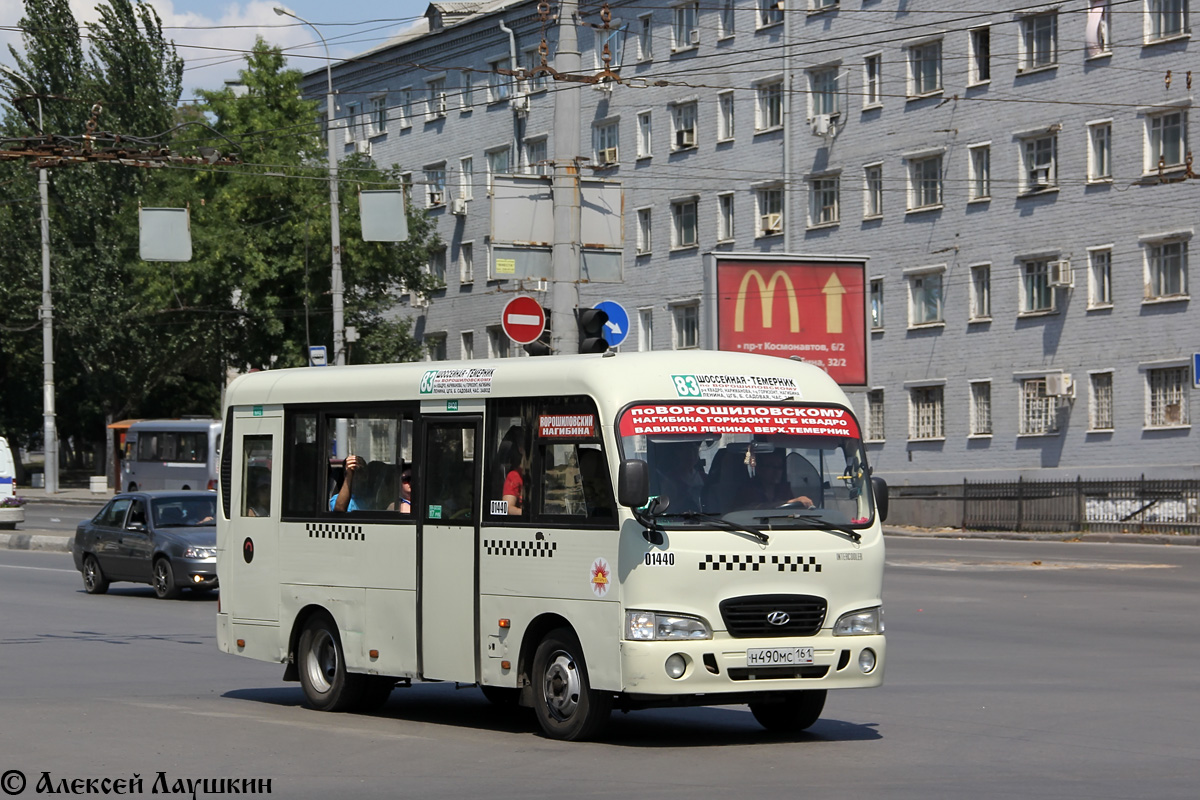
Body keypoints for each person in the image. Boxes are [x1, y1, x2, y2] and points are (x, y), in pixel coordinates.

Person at [740, 451, 813, 509]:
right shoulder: (748, 488)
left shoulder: (784, 489)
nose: (777, 471)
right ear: (759, 469)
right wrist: (789, 502)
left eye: (779, 467)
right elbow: (752, 509)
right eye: (771, 466)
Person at [654, 441, 705, 513]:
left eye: (695, 450)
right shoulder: (669, 480)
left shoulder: (704, 477)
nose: (692, 455)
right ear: (678, 453)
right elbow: (667, 508)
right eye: (687, 451)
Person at [499, 428, 528, 516]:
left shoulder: (544, 474)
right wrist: (528, 514)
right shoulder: (514, 476)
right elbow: (507, 508)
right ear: (521, 449)